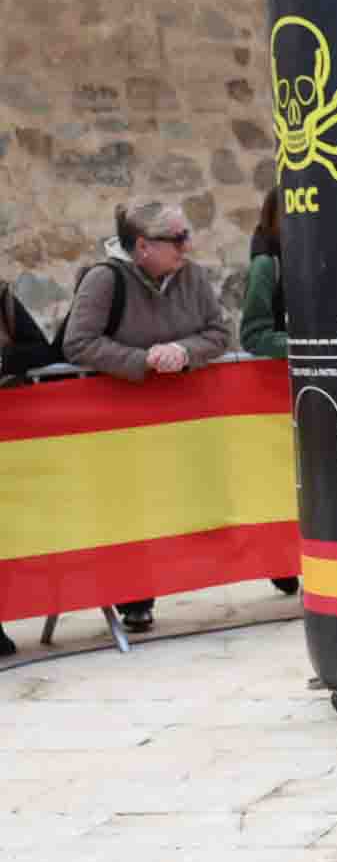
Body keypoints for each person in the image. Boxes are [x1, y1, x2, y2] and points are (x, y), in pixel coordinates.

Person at [63, 199, 235, 631]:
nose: (187, 246)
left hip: (182, 417)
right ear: (143, 246)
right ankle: (134, 598)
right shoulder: (104, 279)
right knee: (128, 507)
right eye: (177, 238)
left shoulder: (192, 275)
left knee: (191, 496)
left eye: (186, 235)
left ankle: (229, 572)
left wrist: (183, 351)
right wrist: (143, 361)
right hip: (118, 422)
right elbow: (78, 343)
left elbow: (218, 333)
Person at [239, 196, 289, 359]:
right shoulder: (265, 265)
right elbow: (253, 337)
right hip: (283, 370)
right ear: (273, 219)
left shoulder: (318, 256)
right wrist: (305, 346)